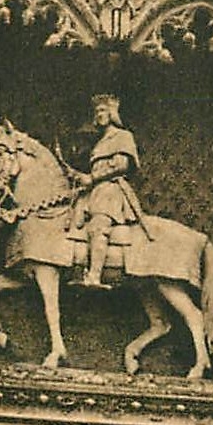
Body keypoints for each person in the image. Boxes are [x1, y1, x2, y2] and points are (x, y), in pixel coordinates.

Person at [70, 95, 146, 288]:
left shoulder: (122, 136)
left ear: (112, 113)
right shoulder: (100, 141)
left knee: (98, 226)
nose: (99, 115)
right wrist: (80, 177)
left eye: (103, 111)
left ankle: (95, 276)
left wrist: (92, 178)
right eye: (97, 112)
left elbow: (121, 165)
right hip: (94, 191)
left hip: (110, 191)